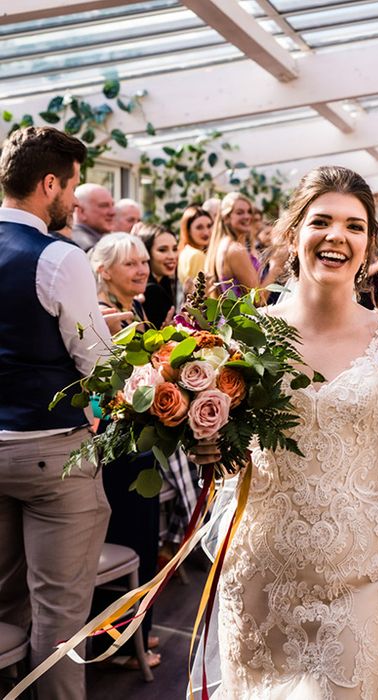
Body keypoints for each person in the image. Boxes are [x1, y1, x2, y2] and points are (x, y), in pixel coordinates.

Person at [194, 166, 378, 698]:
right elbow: (228, 452)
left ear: (369, 246)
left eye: (355, 226)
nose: (337, 236)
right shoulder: (242, 335)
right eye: (321, 221)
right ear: (293, 234)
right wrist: (206, 445)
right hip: (261, 566)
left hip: (362, 571)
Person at [0, 126, 112, 699]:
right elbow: (96, 365)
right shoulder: (59, 257)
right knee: (60, 612)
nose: (72, 200)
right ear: (49, 184)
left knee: (1, 601)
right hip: (49, 457)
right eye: (71, 188)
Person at [89, 233, 163, 670]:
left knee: (143, 540)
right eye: (131, 263)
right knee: (129, 538)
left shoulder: (132, 308)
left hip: (138, 443)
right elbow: (103, 392)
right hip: (119, 447)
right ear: (104, 270)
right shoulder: (102, 316)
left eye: (143, 262)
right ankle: (117, 644)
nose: (142, 270)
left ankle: (135, 631)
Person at [204, 192, 287, 301]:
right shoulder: (235, 250)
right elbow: (257, 300)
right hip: (242, 317)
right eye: (240, 212)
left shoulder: (223, 245)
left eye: (249, 212)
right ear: (226, 217)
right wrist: (276, 266)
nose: (247, 216)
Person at [131, 222, 178, 329]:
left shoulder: (164, 281)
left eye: (175, 249)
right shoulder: (151, 290)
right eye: (162, 250)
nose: (172, 256)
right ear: (146, 253)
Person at [177, 205, 213, 293]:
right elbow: (201, 294)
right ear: (188, 230)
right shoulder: (196, 255)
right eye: (199, 227)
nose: (206, 232)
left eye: (209, 226)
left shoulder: (185, 252)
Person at [71, 182, 115, 251]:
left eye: (112, 205)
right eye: (104, 206)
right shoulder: (88, 247)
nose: (112, 212)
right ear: (81, 212)